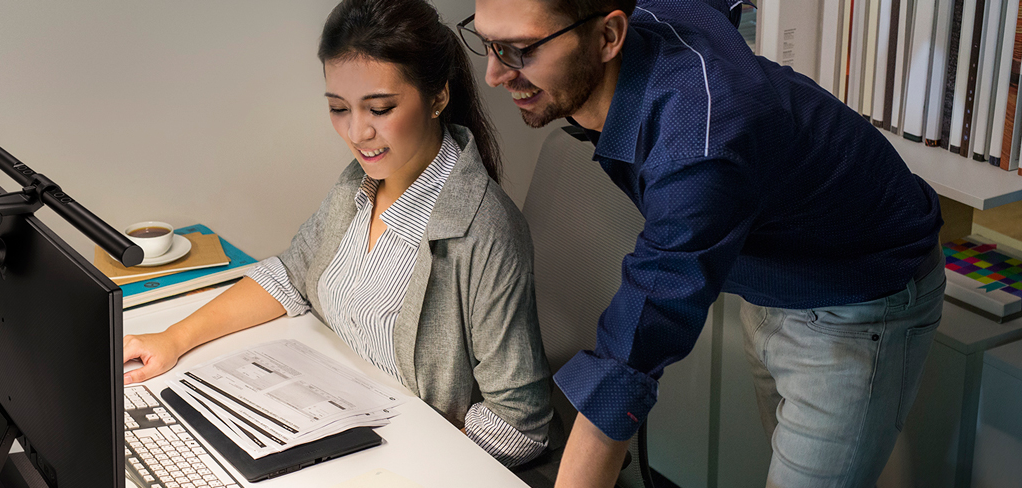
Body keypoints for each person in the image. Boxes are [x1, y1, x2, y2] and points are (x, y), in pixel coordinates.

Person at [462, 0, 945, 485]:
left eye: (519, 51)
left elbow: (630, 356)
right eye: (487, 43)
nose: (493, 75)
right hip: (773, 269)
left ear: (609, 37)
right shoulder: (652, 15)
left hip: (858, 296)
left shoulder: (699, 148)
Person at [121, 0, 553, 468]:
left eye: (381, 108)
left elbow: (519, 426)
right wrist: (172, 338)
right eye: (338, 109)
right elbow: (291, 274)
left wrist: (403, 462)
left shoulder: (485, 231)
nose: (358, 132)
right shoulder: (359, 184)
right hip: (326, 422)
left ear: (438, 97)